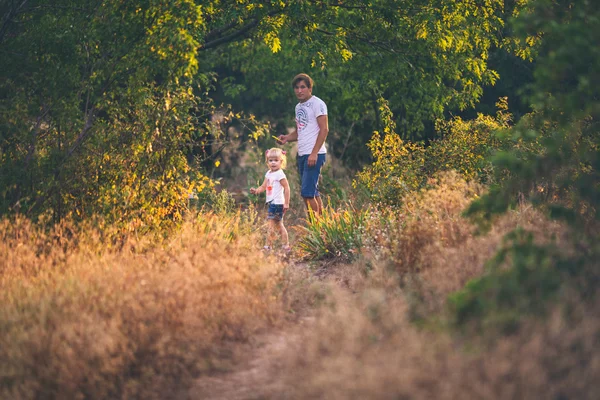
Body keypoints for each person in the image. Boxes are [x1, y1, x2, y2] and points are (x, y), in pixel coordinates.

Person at [278, 73, 328, 216]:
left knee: (307, 193)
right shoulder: (298, 107)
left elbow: (324, 129)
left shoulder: (317, 104)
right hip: (302, 154)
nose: (299, 91)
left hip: (314, 154)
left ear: (309, 88)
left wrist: (314, 153)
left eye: (303, 87)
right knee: (312, 192)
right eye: (296, 88)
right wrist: (286, 138)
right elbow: (301, 130)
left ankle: (316, 228)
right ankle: (323, 227)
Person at [250, 148, 291, 251]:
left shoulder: (280, 174)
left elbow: (287, 187)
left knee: (271, 225)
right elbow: (263, 186)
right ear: (267, 161)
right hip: (272, 203)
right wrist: (256, 191)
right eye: (270, 160)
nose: (273, 163)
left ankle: (268, 246)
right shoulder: (268, 173)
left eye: (276, 160)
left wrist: (286, 203)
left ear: (281, 162)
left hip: (277, 203)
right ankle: (285, 246)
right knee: (279, 225)